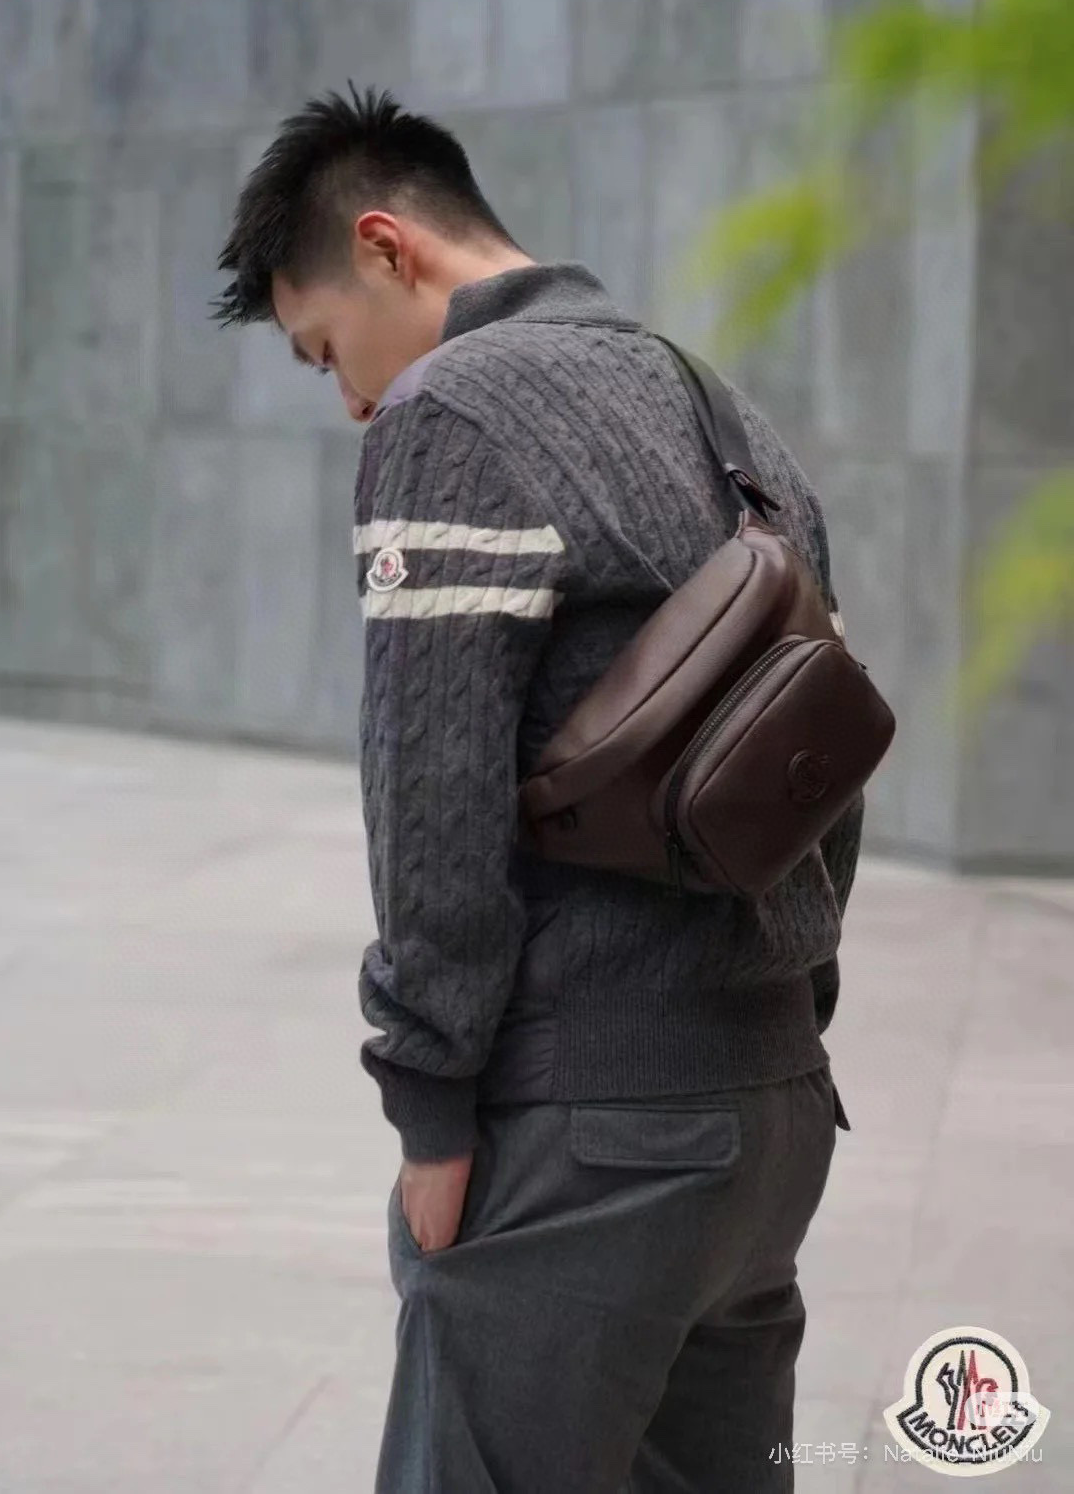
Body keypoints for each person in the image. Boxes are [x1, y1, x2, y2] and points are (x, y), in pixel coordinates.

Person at [215, 85, 862, 1494]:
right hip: (767, 1117)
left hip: (584, 1135)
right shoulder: (724, 410)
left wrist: (430, 1110)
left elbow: (431, 798)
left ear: (385, 245)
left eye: (326, 352)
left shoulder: (450, 412)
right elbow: (823, 754)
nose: (352, 399)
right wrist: (790, 1025)